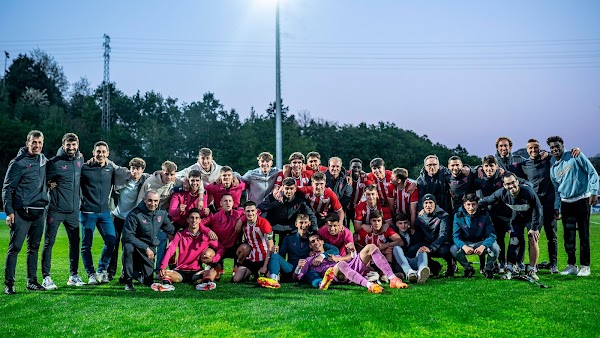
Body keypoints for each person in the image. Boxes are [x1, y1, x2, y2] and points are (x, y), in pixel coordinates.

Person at [3, 130, 49, 294]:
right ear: (27, 142)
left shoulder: (44, 160)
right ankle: (9, 284)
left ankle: (32, 281)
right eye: (34, 142)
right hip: (21, 212)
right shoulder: (17, 163)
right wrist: (9, 212)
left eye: (39, 143)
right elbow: (7, 189)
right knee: (15, 248)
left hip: (39, 212)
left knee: (34, 248)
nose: (37, 146)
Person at [548, 136, 599, 277]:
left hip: (582, 200)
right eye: (552, 147)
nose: (555, 149)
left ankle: (585, 266)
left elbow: (592, 172)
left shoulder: (575, 155)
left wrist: (594, 192)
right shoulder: (553, 169)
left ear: (562, 145)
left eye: (557, 146)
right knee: (568, 236)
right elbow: (557, 190)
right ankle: (571, 265)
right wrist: (556, 207)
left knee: (584, 235)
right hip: (566, 204)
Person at [80, 141, 129, 285]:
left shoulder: (111, 168)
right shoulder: (84, 168)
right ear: (93, 153)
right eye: (98, 152)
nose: (100, 154)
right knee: (86, 245)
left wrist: (154, 174)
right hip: (87, 212)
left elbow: (130, 172)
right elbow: (71, 177)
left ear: (107, 154)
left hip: (105, 213)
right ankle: (91, 274)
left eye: (103, 152)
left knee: (111, 241)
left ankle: (101, 270)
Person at [479, 172, 543, 280]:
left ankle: (532, 269)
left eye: (513, 182)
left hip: (532, 216)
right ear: (504, 185)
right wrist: (470, 206)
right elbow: (487, 200)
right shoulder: (502, 193)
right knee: (514, 240)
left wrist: (534, 228)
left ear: (517, 182)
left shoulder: (528, 191)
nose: (511, 186)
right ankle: (509, 268)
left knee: (533, 239)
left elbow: (537, 209)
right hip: (518, 216)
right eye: (508, 184)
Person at [42, 133, 85, 289]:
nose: (71, 148)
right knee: (49, 243)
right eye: (68, 145)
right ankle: (46, 277)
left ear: (77, 145)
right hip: (55, 210)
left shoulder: (80, 160)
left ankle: (73, 276)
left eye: (74, 145)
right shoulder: (54, 163)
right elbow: (42, 180)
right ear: (63, 144)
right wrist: (48, 184)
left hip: (73, 212)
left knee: (75, 243)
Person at [258, 213, 339, 288]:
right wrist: (276, 254)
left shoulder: (313, 239)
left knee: (312, 273)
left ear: (309, 223)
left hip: (306, 269)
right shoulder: (289, 238)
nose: (303, 225)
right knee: (274, 255)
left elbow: (335, 249)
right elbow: (281, 256)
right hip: (290, 268)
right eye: (301, 222)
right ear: (296, 224)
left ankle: (321, 284)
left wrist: (322, 255)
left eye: (305, 222)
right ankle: (273, 280)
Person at [121, 191, 176, 291]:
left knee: (148, 282)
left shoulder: (161, 213)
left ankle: (135, 273)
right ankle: (128, 281)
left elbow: (171, 230)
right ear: (144, 200)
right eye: (150, 200)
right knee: (128, 247)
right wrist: (145, 248)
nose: (153, 203)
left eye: (156, 201)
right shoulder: (134, 214)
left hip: (149, 248)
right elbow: (127, 236)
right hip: (135, 246)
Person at [107, 157, 150, 282]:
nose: (135, 172)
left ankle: (126, 273)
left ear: (142, 170)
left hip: (131, 220)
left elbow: (158, 177)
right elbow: (112, 164)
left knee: (128, 247)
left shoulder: (145, 179)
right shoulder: (123, 174)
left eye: (138, 169)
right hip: (117, 216)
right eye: (133, 168)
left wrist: (159, 173)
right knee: (113, 244)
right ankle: (110, 272)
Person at [310, 240, 408, 294]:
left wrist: (353, 251)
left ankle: (393, 279)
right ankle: (369, 285)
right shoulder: (309, 260)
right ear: (310, 246)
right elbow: (302, 275)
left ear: (323, 242)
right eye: (312, 241)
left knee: (371, 247)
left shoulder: (333, 251)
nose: (316, 243)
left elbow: (351, 259)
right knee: (340, 264)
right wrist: (319, 282)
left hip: (350, 267)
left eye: (318, 240)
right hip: (336, 274)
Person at [137, 160, 183, 272]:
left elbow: (191, 183)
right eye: (166, 174)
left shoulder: (176, 182)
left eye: (172, 174)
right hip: (146, 215)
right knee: (145, 242)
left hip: (162, 216)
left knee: (162, 240)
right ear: (162, 172)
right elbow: (140, 201)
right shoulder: (150, 182)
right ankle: (142, 269)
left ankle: (158, 270)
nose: (169, 177)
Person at [158, 208, 223, 289]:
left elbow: (221, 248)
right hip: (180, 272)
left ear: (200, 220)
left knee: (212, 271)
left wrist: (214, 260)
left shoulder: (206, 236)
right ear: (187, 220)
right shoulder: (180, 234)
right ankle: (166, 285)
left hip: (197, 272)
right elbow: (171, 249)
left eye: (196, 218)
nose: (194, 220)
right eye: (191, 218)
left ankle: (206, 284)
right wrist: (163, 266)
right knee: (164, 273)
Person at [451, 194, 500, 279]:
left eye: (473, 204)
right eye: (468, 205)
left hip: (481, 243)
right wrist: (464, 246)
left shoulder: (484, 214)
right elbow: (456, 237)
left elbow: (491, 235)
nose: (471, 208)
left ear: (477, 204)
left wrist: (483, 246)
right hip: (466, 243)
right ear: (464, 205)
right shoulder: (458, 216)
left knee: (495, 247)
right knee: (453, 249)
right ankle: (468, 268)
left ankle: (488, 269)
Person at [408, 194, 454, 277]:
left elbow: (443, 235)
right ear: (422, 205)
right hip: (427, 243)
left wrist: (431, 248)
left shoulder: (443, 216)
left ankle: (451, 266)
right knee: (412, 249)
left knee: (444, 251)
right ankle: (434, 266)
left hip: (441, 244)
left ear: (435, 204)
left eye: (430, 203)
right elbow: (417, 234)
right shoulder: (420, 217)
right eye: (426, 203)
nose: (428, 205)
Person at [201, 194, 246, 273]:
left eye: (230, 201)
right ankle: (215, 266)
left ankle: (237, 267)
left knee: (245, 248)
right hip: (218, 247)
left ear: (233, 203)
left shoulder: (238, 213)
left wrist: (241, 220)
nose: (228, 203)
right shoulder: (214, 216)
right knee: (207, 254)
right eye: (225, 201)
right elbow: (199, 224)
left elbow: (256, 212)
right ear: (221, 203)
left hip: (234, 247)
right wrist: (208, 231)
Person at [233, 201, 274, 282]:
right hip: (252, 259)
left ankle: (263, 272)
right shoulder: (243, 223)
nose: (250, 213)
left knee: (270, 280)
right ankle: (252, 272)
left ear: (256, 211)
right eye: (248, 211)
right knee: (236, 280)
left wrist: (265, 266)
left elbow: (271, 246)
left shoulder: (264, 223)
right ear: (244, 212)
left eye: (252, 211)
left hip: (265, 258)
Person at [392, 213, 430, 284]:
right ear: (396, 224)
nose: (403, 226)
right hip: (401, 264)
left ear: (408, 223)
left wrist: (420, 248)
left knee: (423, 250)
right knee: (396, 248)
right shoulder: (393, 235)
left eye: (405, 223)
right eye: (400, 223)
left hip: (413, 260)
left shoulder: (414, 233)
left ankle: (421, 272)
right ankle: (409, 272)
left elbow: (423, 242)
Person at [324, 157, 352, 225]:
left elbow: (347, 197)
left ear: (340, 167)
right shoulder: (322, 178)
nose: (335, 169)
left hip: (340, 212)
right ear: (328, 166)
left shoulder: (346, 180)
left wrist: (335, 207)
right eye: (333, 166)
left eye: (337, 166)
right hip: (323, 212)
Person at [347, 158, 370, 226]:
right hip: (346, 209)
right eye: (354, 167)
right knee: (345, 230)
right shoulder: (345, 177)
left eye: (359, 167)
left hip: (358, 209)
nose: (356, 169)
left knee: (358, 230)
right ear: (350, 167)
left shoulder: (365, 179)